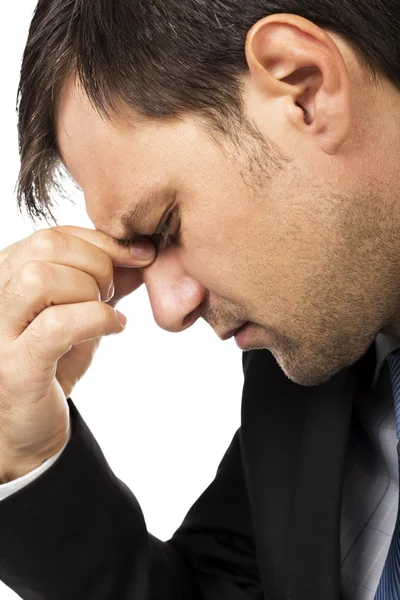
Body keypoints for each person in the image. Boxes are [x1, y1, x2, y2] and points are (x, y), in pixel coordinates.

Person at [0, 0, 399, 598]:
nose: (167, 311)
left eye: (166, 225)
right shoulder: (310, 370)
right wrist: (22, 454)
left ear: (303, 88)